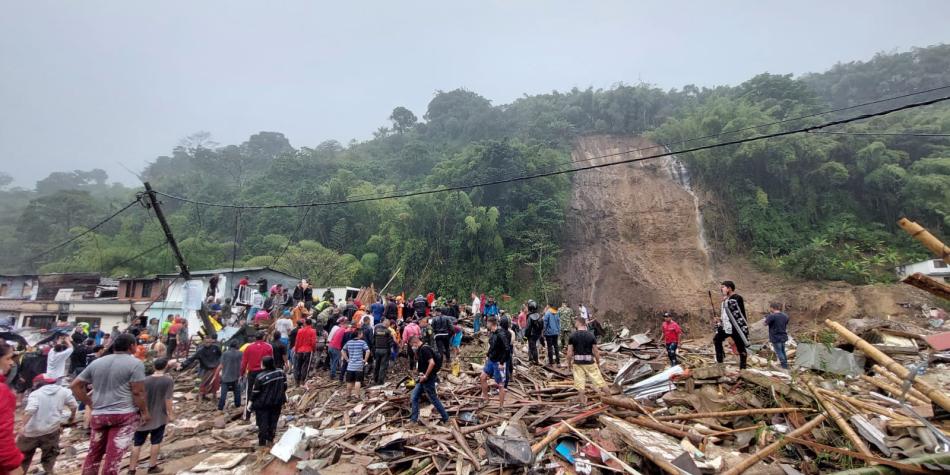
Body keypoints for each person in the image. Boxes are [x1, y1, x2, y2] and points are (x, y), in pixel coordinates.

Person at [71, 333, 149, 475]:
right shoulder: (135, 364)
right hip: (123, 415)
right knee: (114, 457)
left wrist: (89, 403)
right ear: (132, 346)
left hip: (99, 415)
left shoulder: (98, 362)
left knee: (93, 453)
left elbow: (75, 385)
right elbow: (138, 392)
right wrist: (144, 412)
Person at [17, 373, 77, 474]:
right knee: (50, 457)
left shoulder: (35, 394)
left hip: (31, 432)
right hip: (51, 430)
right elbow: (74, 406)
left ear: (37, 383)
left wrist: (22, 426)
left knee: (23, 458)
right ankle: (49, 472)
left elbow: (30, 410)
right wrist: (71, 418)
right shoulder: (63, 391)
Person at [129, 358, 174, 475]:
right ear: (165, 367)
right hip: (159, 416)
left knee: (137, 443)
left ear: (154, 367)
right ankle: (152, 466)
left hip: (143, 416)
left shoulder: (144, 380)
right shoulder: (168, 381)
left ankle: (132, 469)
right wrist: (171, 414)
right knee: (156, 442)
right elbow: (168, 399)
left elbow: (136, 396)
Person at [408, 335, 449, 424]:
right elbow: (422, 364)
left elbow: (432, 363)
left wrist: (425, 376)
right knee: (414, 397)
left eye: (412, 345)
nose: (412, 347)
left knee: (433, 398)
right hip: (422, 379)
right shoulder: (420, 350)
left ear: (415, 342)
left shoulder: (424, 349)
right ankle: (413, 419)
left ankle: (446, 418)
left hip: (428, 379)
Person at [567, 316, 608, 406]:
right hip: (590, 363)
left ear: (578, 323)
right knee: (600, 381)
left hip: (578, 364)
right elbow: (596, 351)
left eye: (575, 322)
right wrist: (597, 362)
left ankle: (583, 405)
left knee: (580, 385)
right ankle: (611, 399)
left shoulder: (572, 336)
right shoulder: (591, 335)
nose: (575, 324)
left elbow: (569, 352)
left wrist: (569, 364)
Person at [250, 356, 287, 448]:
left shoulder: (260, 377)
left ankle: (262, 444)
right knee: (273, 422)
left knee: (263, 424)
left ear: (265, 364)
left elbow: (255, 393)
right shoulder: (281, 372)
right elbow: (285, 386)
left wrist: (250, 402)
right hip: (277, 402)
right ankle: (270, 441)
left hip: (263, 404)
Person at [0, 341, 25, 475]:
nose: (11, 363)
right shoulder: (2, 391)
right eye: (8, 358)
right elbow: (2, 435)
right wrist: (14, 465)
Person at [714, 281, 750, 369]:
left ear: (729, 288)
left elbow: (734, 307)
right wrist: (719, 320)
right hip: (726, 327)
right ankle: (720, 363)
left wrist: (727, 300)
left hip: (736, 327)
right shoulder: (725, 300)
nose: (721, 289)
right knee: (716, 339)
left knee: (740, 347)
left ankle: (743, 368)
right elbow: (726, 315)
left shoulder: (737, 298)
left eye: (723, 287)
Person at [240, 332, 274, 414]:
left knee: (250, 392)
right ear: (263, 337)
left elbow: (244, 362)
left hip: (252, 373)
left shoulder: (249, 348)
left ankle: (247, 415)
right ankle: (266, 410)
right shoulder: (268, 346)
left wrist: (241, 373)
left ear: (255, 338)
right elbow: (271, 360)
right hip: (265, 372)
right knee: (266, 391)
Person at [181, 335, 222, 402]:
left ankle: (214, 397)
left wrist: (219, 363)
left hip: (214, 369)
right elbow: (192, 358)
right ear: (204, 342)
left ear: (211, 341)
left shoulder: (216, 348)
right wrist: (183, 365)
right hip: (203, 368)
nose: (208, 343)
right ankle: (199, 396)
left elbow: (221, 355)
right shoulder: (200, 350)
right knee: (199, 382)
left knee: (215, 384)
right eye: (206, 342)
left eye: (209, 342)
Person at [480, 316, 509, 407]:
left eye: (487, 323)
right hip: (491, 360)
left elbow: (507, 349)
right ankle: (486, 399)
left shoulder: (501, 334)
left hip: (498, 362)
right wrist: (487, 355)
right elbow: (492, 347)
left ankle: (501, 407)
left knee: (500, 385)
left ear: (491, 323)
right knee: (482, 377)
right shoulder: (492, 333)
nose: (486, 325)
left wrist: (501, 363)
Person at [342, 329, 370, 400]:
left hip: (350, 365)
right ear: (359, 334)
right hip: (358, 365)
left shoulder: (349, 342)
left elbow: (342, 351)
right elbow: (368, 351)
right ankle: (357, 396)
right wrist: (365, 360)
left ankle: (348, 395)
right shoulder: (362, 342)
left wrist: (347, 359)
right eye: (361, 334)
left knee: (349, 381)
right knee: (358, 381)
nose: (362, 335)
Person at [218, 341, 243, 411]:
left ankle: (220, 407)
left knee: (223, 394)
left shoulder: (225, 354)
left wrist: (216, 375)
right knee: (237, 392)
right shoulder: (240, 353)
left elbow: (221, 365)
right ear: (237, 346)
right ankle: (238, 405)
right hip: (236, 376)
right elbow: (243, 364)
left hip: (226, 377)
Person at [765, 302, 790, 369]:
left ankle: (784, 366)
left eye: (770, 308)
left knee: (779, 352)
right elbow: (786, 322)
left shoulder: (772, 316)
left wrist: (767, 317)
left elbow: (765, 324)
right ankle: (786, 365)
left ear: (772, 308)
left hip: (775, 337)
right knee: (783, 351)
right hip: (783, 336)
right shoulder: (785, 316)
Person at [293, 319, 317, 386]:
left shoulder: (300, 331)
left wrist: (296, 350)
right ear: (311, 324)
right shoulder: (313, 331)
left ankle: (297, 381)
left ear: (305, 324)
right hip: (308, 350)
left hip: (300, 350)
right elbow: (313, 342)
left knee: (298, 366)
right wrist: (314, 350)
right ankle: (302, 381)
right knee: (306, 366)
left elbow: (297, 341)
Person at [372, 318, 394, 385]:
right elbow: (390, 342)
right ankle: (380, 381)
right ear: (387, 325)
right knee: (383, 366)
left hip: (377, 350)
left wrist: (373, 350)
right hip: (385, 350)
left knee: (377, 365)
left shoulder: (376, 331)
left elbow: (373, 341)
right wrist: (392, 351)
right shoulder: (388, 331)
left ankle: (375, 379)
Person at [524, 300, 543, 365]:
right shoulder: (539, 315)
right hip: (537, 334)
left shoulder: (530, 316)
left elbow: (528, 328)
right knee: (534, 347)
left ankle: (535, 361)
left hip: (531, 335)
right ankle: (532, 359)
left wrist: (525, 336)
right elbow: (542, 326)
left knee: (532, 347)